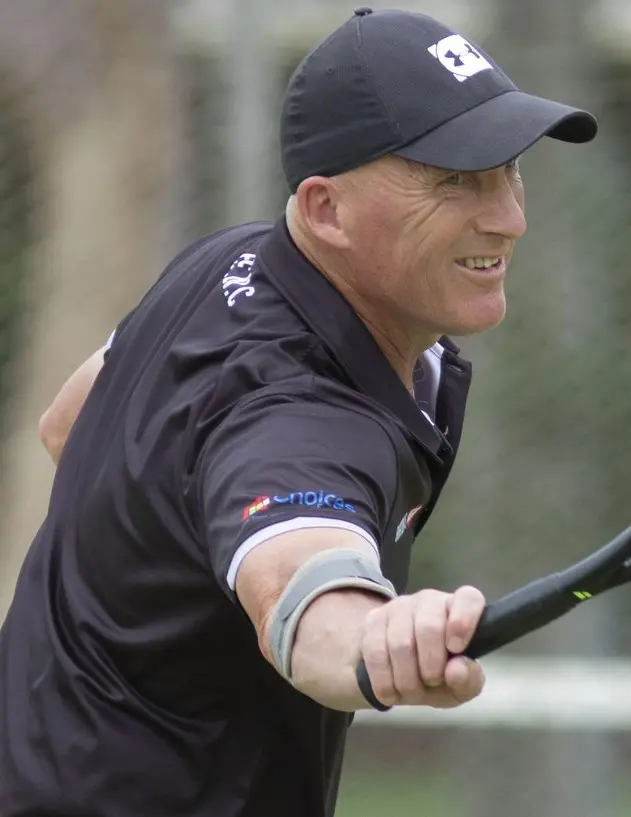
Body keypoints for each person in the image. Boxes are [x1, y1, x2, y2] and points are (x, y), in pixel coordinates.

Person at [0, 8, 596, 817]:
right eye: (454, 180)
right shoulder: (301, 411)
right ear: (325, 210)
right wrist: (372, 635)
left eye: (508, 170)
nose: (508, 216)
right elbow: (307, 601)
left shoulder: (226, 264)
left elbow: (70, 422)